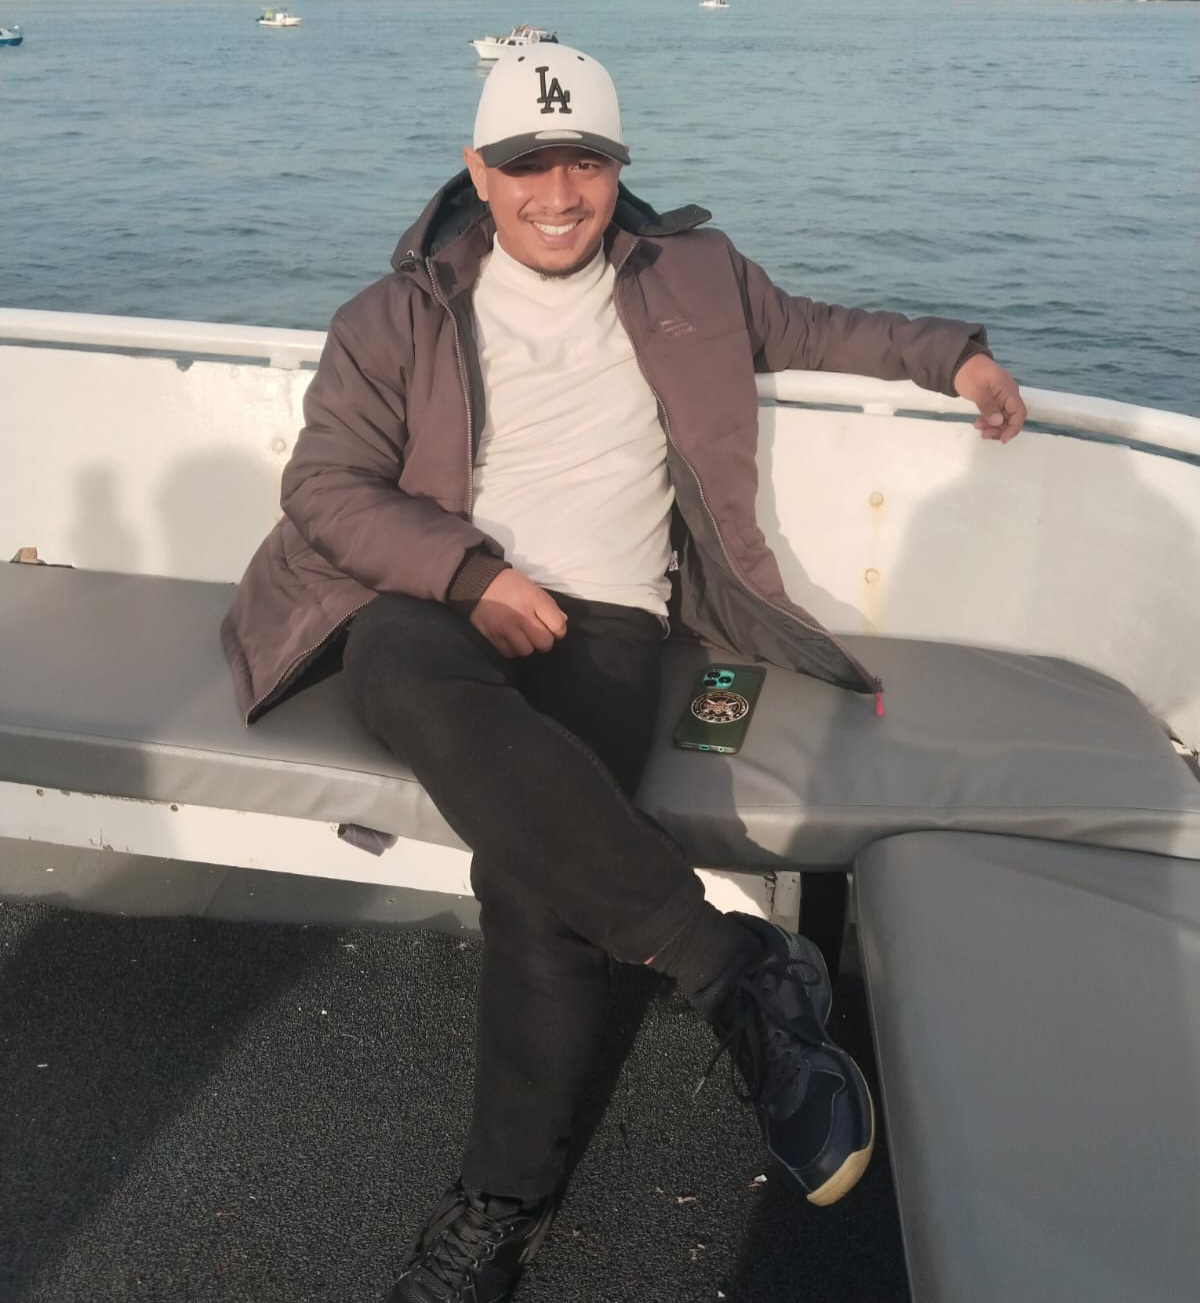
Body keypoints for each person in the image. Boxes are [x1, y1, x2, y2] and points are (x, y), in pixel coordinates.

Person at [221, 44, 1026, 1303]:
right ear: (477, 171)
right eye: (528, 165)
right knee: (394, 661)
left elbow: (824, 328)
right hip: (441, 599)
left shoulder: (693, 275)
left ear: (618, 169)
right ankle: (729, 966)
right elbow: (326, 485)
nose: (559, 194)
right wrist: (472, 575)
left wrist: (957, 358)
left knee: (534, 881)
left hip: (607, 626)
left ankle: (497, 1209)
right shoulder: (396, 313)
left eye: (585, 164)